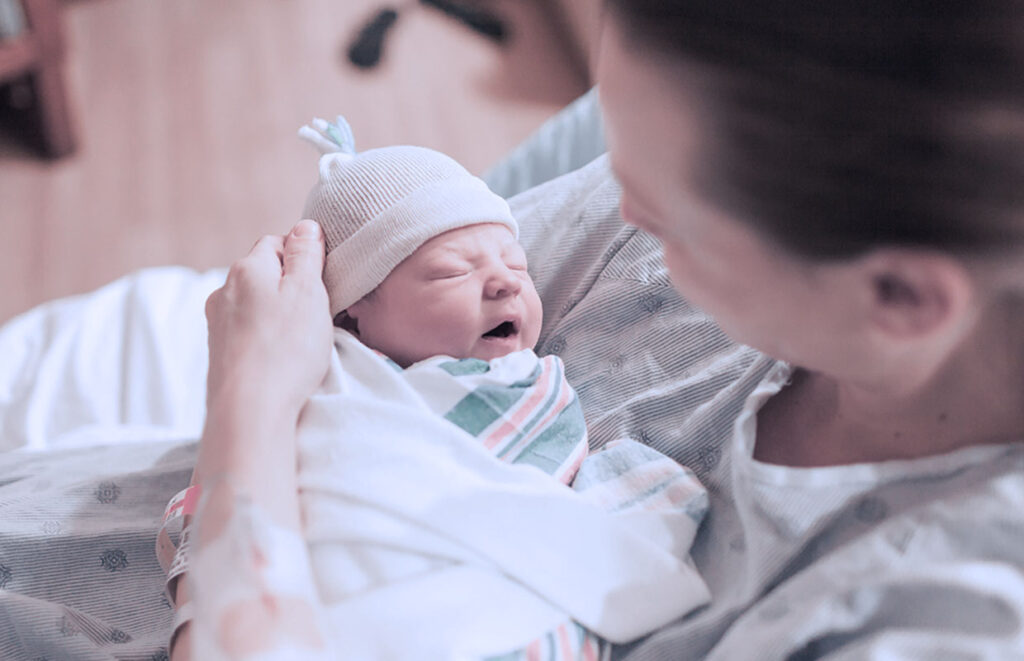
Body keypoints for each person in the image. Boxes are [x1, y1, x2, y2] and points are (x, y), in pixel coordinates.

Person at [183, 1, 1024, 659]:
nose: (622, 214)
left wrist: (249, 400)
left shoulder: (934, 612)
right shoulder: (702, 166)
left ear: (901, 297)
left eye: (670, 217)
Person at [165, 119, 712, 660]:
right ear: (353, 317)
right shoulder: (334, 378)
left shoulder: (526, 384)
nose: (506, 281)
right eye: (452, 272)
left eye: (517, 264)